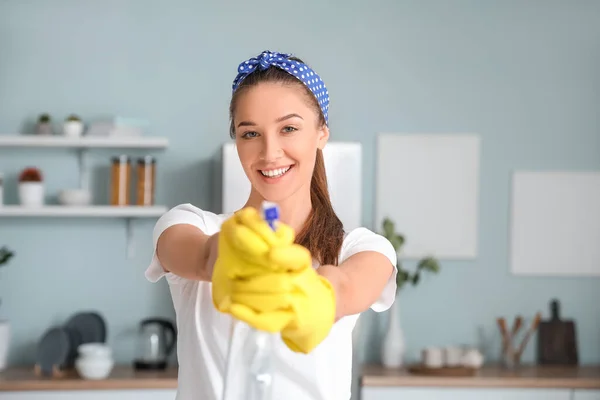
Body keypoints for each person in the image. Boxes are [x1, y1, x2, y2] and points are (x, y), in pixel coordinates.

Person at [145, 50, 398, 400]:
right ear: (236, 139)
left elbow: (346, 287)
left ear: (322, 133)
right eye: (251, 134)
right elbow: (199, 254)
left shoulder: (360, 248)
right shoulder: (191, 224)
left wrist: (317, 296)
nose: (269, 152)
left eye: (289, 129)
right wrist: (229, 254)